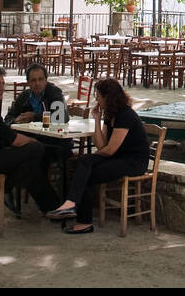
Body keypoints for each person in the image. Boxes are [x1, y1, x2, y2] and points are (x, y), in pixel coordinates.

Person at [48, 78, 150, 234]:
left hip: (133, 162)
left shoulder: (125, 115)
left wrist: (94, 158)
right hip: (118, 157)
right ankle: (77, 212)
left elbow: (109, 151)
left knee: (86, 168)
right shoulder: (110, 115)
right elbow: (101, 145)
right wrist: (97, 120)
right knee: (85, 167)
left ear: (108, 97)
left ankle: (76, 211)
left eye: (99, 97)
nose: (97, 100)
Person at [0, 66, 61, 219]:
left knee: (30, 163)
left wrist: (34, 118)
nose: (2, 89)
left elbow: (61, 117)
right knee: (36, 149)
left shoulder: (54, 93)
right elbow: (12, 138)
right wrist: (32, 141)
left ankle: (51, 207)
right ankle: (7, 189)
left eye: (3, 84)